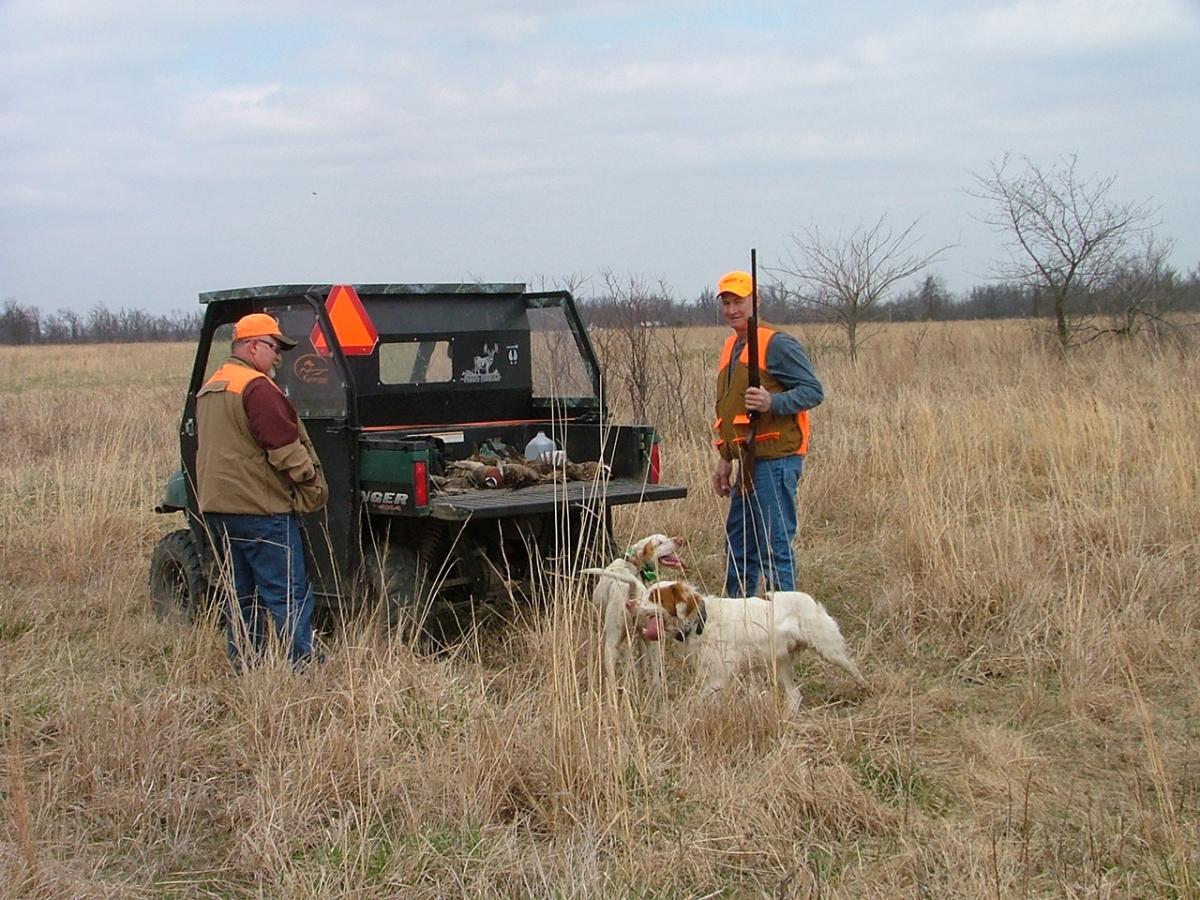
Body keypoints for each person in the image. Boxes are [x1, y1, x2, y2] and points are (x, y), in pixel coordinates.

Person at [196, 313, 328, 670]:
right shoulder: (257, 388)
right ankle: (302, 667)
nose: (278, 358)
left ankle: (246, 666)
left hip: (220, 511)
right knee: (287, 594)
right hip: (262, 511)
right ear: (252, 346)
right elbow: (284, 448)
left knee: (242, 597)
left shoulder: (213, 386)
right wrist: (310, 482)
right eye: (273, 348)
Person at [712, 270, 823, 596]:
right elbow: (732, 410)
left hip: (775, 460)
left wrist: (773, 401)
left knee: (774, 543)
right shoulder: (732, 345)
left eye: (739, 302)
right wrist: (725, 458)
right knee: (739, 543)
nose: (732, 309)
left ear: (755, 302)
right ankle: (738, 619)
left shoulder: (777, 343)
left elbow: (813, 391)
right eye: (727, 302)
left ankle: (785, 626)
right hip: (746, 461)